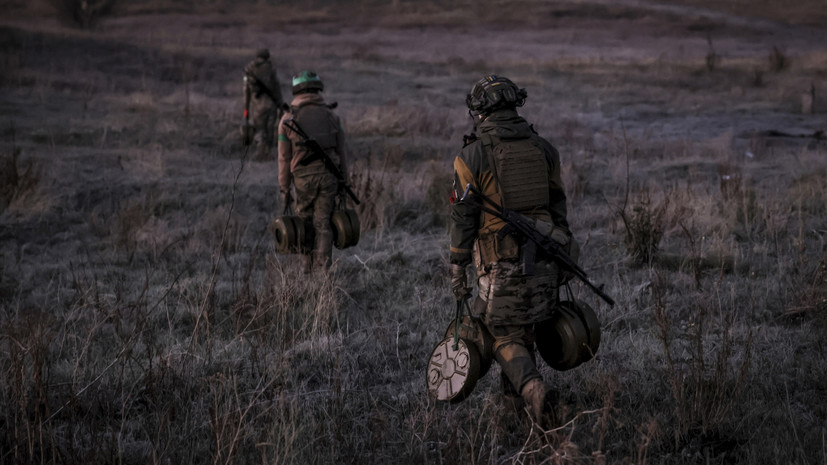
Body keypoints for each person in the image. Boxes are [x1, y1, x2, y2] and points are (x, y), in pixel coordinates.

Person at [449, 74, 574, 426]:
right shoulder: (544, 148)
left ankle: (534, 390)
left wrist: (457, 265)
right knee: (525, 331)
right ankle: (514, 416)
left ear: (479, 111)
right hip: (547, 260)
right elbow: (558, 208)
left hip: (500, 264)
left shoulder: (471, 155)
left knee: (498, 332)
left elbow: (462, 216)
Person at [278, 71, 348, 273]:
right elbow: (341, 151)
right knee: (323, 224)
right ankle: (323, 273)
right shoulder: (333, 116)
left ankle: (306, 270)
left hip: (302, 180)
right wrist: (345, 181)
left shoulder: (287, 119)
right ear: (318, 89)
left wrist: (284, 189)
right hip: (330, 177)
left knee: (304, 223)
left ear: (297, 89)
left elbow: (283, 159)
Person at [243, 48, 284, 160]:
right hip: (271, 105)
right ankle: (268, 152)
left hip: (258, 106)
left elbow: (246, 91)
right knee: (270, 129)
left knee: (260, 129)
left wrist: (246, 110)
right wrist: (281, 106)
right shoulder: (271, 69)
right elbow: (277, 89)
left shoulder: (249, 70)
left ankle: (260, 151)